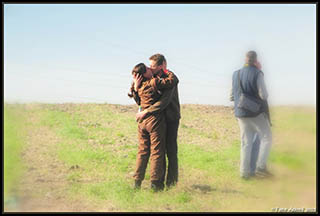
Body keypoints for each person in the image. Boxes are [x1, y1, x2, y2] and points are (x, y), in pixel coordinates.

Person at [128, 63, 179, 191]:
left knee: (142, 152)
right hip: (154, 120)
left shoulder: (138, 87)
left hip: (141, 121)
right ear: (144, 73)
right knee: (157, 152)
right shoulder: (154, 82)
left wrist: (134, 86)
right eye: (148, 68)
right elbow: (173, 81)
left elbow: (138, 101)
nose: (151, 69)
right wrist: (166, 70)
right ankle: (155, 184)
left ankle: (137, 182)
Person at [230, 51, 273, 179]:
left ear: (245, 60)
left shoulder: (235, 74)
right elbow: (263, 95)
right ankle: (260, 166)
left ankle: (244, 173)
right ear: (255, 60)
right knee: (267, 137)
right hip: (255, 113)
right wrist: (259, 71)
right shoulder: (257, 73)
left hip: (240, 114)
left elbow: (232, 96)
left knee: (245, 143)